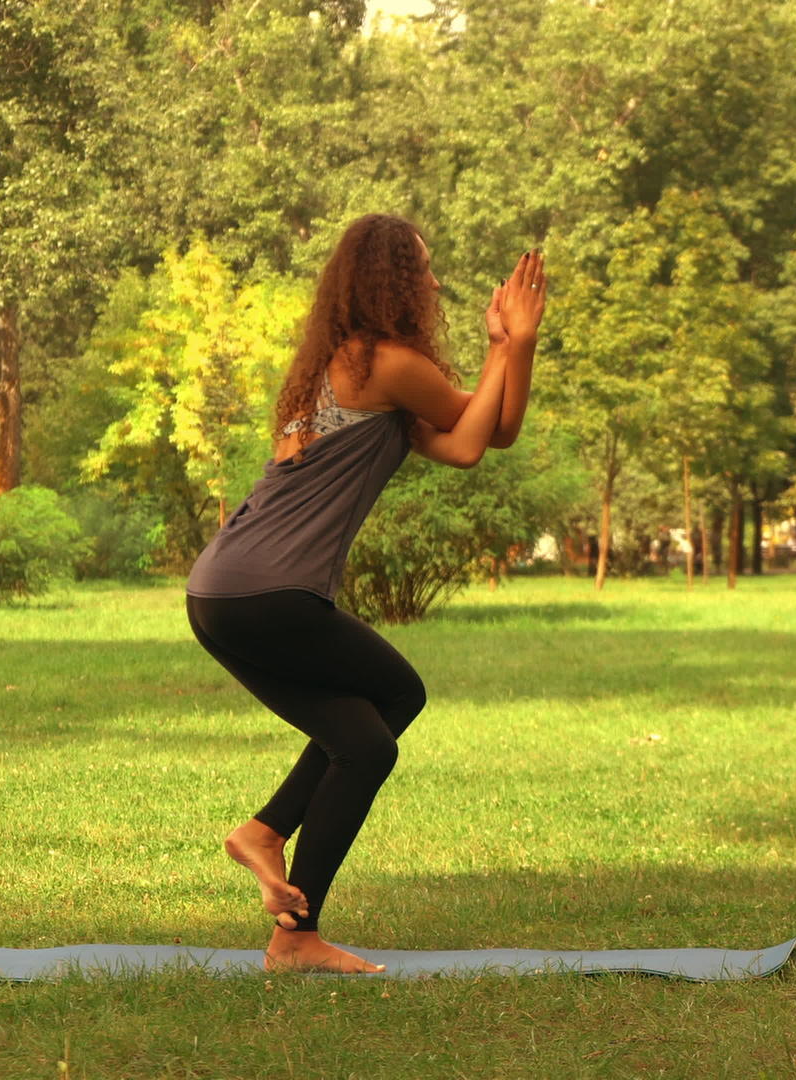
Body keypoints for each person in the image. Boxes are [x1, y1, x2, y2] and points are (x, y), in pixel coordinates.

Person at [184, 213, 546, 974]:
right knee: (398, 694)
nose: (436, 283)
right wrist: (503, 343)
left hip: (222, 592)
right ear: (392, 279)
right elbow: (479, 438)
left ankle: (289, 922)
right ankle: (270, 849)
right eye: (423, 269)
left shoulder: (344, 368)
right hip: (272, 591)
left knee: (363, 741)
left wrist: (518, 346)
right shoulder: (386, 362)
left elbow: (480, 436)